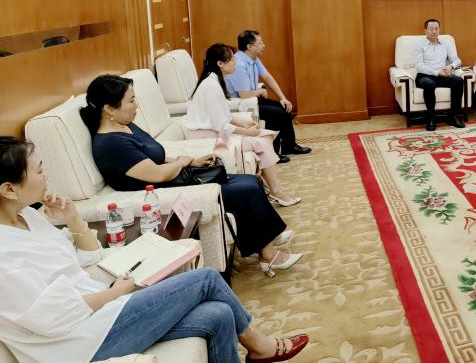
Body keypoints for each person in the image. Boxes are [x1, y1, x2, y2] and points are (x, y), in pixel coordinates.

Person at [0, 137, 309, 363]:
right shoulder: (4, 254)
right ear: (9, 189)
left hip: (101, 317)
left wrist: (72, 217)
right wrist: (114, 293)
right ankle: (261, 346)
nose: (46, 175)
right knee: (205, 280)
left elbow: (89, 258)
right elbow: (50, 316)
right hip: (81, 343)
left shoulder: (29, 217)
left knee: (218, 314)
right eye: (38, 170)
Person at [83, 75, 303, 277]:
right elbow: (157, 174)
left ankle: (266, 242)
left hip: (178, 177)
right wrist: (182, 161)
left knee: (251, 181)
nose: (136, 105)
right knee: (245, 190)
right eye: (131, 101)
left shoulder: (126, 126)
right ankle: (268, 254)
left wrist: (191, 161)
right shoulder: (111, 144)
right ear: (109, 108)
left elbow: (155, 157)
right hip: (166, 190)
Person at [187, 44, 300, 207]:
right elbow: (221, 126)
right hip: (210, 139)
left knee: (266, 135)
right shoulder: (211, 86)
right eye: (232, 60)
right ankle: (277, 192)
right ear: (220, 64)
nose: (236, 63)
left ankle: (268, 188)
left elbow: (223, 114)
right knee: (261, 141)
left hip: (216, 134)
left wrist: (244, 123)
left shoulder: (214, 81)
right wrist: (248, 132)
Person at [224, 30, 311, 159]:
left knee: (283, 107)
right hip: (242, 104)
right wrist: (261, 91)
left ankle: (289, 145)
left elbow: (267, 77)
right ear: (250, 47)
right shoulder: (239, 64)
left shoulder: (253, 59)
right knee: (275, 113)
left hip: (253, 99)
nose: (264, 45)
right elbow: (244, 95)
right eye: (260, 43)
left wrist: (283, 98)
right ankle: (272, 153)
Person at [414, 19, 466, 131]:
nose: (434, 31)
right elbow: (418, 65)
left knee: (458, 81)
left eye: (436, 29)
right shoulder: (420, 45)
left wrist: (450, 66)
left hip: (442, 76)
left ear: (439, 30)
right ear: (425, 30)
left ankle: (453, 116)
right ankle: (431, 118)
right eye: (431, 29)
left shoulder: (445, 44)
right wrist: (436, 72)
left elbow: (457, 60)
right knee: (429, 84)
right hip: (425, 76)